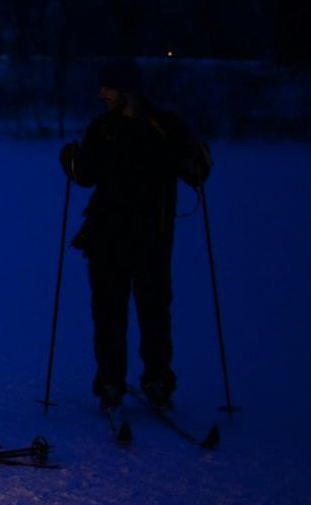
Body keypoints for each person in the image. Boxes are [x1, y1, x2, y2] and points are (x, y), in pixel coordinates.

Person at [59, 58, 210, 410]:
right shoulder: (103, 128)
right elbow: (87, 177)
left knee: (154, 314)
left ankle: (157, 380)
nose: (102, 94)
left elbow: (196, 173)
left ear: (128, 90)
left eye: (108, 87)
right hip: (106, 238)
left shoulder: (165, 127)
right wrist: (71, 161)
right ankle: (111, 383)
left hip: (151, 239)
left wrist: (198, 157)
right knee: (109, 316)